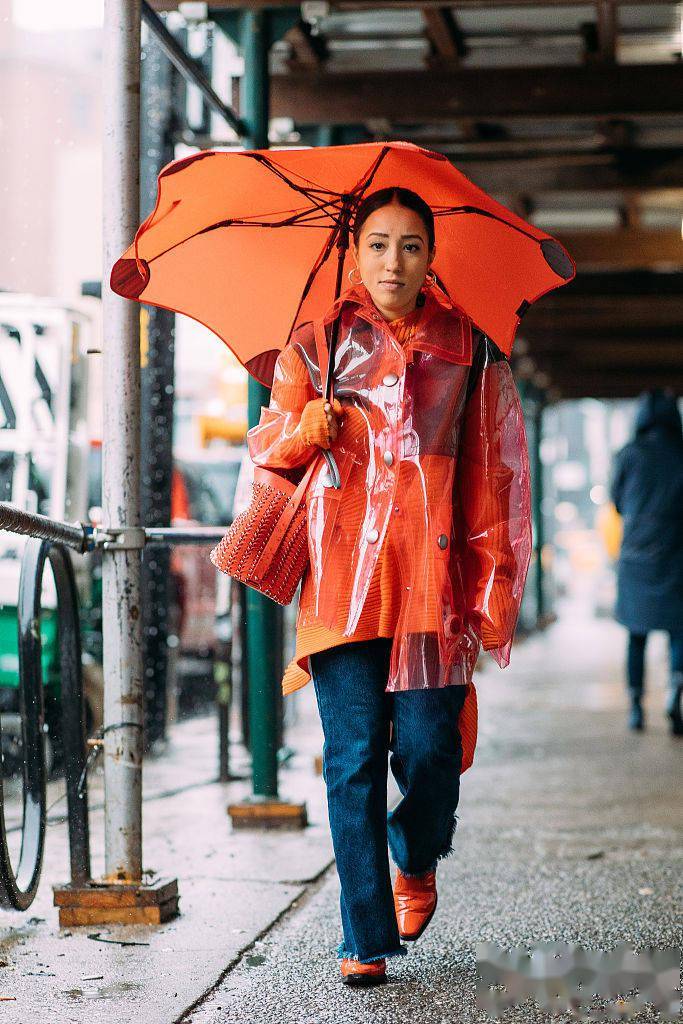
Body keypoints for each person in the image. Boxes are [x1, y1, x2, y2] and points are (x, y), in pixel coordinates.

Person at [246, 187, 532, 986]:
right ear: (354, 253)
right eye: (376, 244)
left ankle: (415, 846)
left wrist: (495, 575)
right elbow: (268, 446)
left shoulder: (466, 348)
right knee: (352, 758)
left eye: (409, 245)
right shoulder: (315, 344)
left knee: (431, 747)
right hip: (341, 580)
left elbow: (493, 469)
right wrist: (306, 430)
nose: (392, 262)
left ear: (430, 255)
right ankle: (363, 937)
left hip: (431, 582)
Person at [609, 388, 683, 734]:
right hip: (676, 555)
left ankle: (636, 706)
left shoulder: (629, 454)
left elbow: (618, 502)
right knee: (679, 632)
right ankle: (675, 694)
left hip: (637, 558)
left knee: (635, 634)